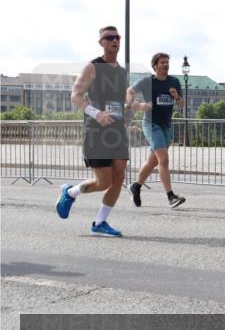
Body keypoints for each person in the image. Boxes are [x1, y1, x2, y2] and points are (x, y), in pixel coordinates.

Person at [55, 25, 131, 236]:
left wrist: (128, 105)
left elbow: (119, 98)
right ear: (101, 42)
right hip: (96, 132)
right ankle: (70, 192)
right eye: (109, 37)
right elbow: (76, 95)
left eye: (117, 37)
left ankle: (99, 223)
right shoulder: (92, 67)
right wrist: (97, 113)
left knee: (119, 178)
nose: (114, 40)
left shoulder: (122, 72)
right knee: (103, 182)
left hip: (117, 131)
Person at [126, 52, 186, 208]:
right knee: (164, 159)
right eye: (162, 63)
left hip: (166, 126)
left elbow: (181, 105)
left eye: (167, 62)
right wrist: (137, 105)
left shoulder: (174, 82)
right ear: (155, 66)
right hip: (151, 124)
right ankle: (171, 196)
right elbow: (129, 92)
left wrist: (176, 96)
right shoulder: (147, 81)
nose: (166, 65)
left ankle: (136, 186)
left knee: (152, 162)